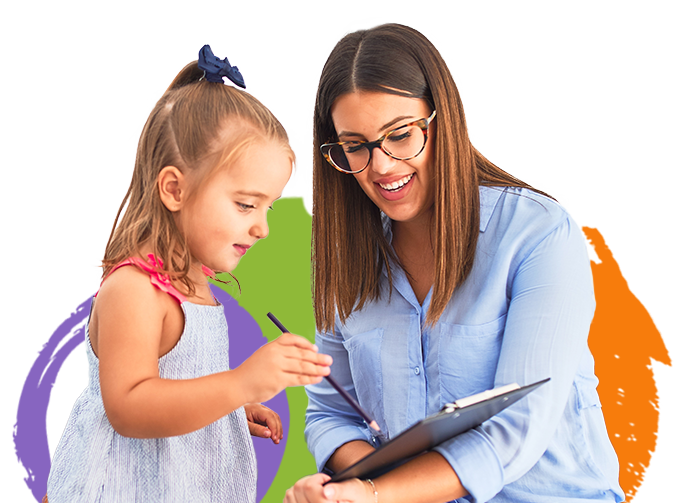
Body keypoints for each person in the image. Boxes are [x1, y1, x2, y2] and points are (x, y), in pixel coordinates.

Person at [285, 23, 624, 503]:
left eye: (400, 135)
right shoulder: (351, 259)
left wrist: (374, 493)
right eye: (355, 146)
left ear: (442, 121)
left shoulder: (537, 234)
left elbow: (517, 428)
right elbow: (330, 415)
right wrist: (349, 492)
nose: (380, 166)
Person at [45, 45, 332, 503]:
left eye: (269, 206)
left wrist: (229, 411)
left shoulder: (196, 284)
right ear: (175, 189)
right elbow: (130, 407)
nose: (262, 227)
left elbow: (175, 388)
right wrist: (240, 383)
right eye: (246, 204)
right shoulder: (135, 290)